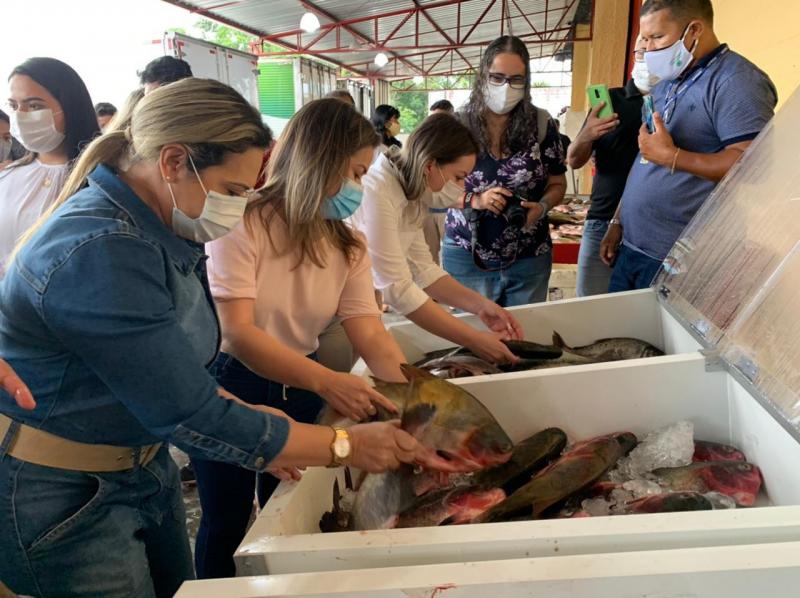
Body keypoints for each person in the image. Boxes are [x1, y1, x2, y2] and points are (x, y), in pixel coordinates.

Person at [0, 78, 423, 596]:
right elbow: (186, 410)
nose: (237, 208)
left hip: (140, 463)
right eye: (232, 192)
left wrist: (266, 431)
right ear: (174, 162)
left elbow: (171, 371)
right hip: (66, 490)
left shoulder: (158, 228)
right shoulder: (103, 247)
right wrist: (341, 445)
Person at [193, 98, 419, 578]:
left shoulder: (347, 243)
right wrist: (327, 383)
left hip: (302, 382)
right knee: (226, 517)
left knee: (285, 511)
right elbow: (237, 332)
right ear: (319, 161)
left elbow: (369, 330)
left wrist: (416, 398)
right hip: (235, 381)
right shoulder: (241, 222)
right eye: (355, 172)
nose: (358, 188)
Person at [603, 0, 777, 291]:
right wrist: (617, 222)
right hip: (633, 247)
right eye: (644, 39)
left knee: (654, 337)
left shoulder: (736, 81)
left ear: (694, 30)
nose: (648, 49)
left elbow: (753, 166)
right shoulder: (669, 82)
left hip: (679, 259)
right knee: (621, 335)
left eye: (657, 37)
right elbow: (646, 158)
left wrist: (673, 157)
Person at [353, 113, 523, 364]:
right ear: (430, 165)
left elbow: (424, 271)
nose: (463, 187)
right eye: (459, 177)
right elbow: (395, 288)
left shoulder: (412, 192)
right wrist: (473, 339)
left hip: (360, 309)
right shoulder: (378, 192)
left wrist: (481, 306)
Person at [442, 36, 568, 307]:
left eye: (516, 79)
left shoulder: (542, 125)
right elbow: (431, 188)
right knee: (470, 338)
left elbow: (558, 183)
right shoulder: (456, 126)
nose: (505, 87)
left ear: (527, 81)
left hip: (529, 257)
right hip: (466, 255)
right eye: (497, 77)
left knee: (523, 337)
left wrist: (541, 208)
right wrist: (475, 200)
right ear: (482, 75)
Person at [0, 57, 100, 278]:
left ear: (70, 106)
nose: (20, 115)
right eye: (14, 106)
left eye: (34, 105)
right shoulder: (7, 177)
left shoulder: (102, 178)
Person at [568, 40, 649, 296]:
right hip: (602, 219)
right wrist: (587, 135)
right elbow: (574, 159)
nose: (647, 54)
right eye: (641, 49)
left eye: (657, 43)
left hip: (652, 226)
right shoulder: (612, 100)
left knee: (640, 311)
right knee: (590, 308)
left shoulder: (676, 101)